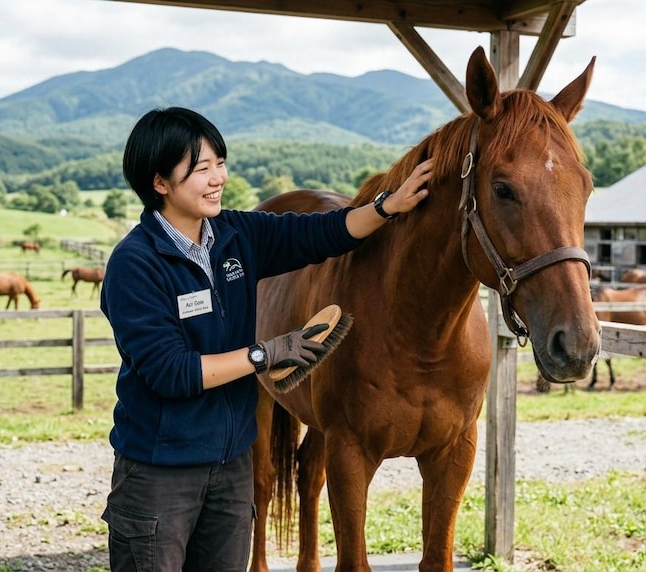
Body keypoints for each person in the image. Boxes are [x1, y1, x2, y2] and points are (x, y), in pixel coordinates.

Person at [99, 106, 432, 571]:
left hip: (231, 468)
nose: (218, 178)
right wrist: (266, 353)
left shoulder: (237, 235)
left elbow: (322, 232)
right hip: (160, 473)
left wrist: (386, 207)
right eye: (200, 169)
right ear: (159, 182)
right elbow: (170, 371)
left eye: (220, 163)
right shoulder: (134, 264)